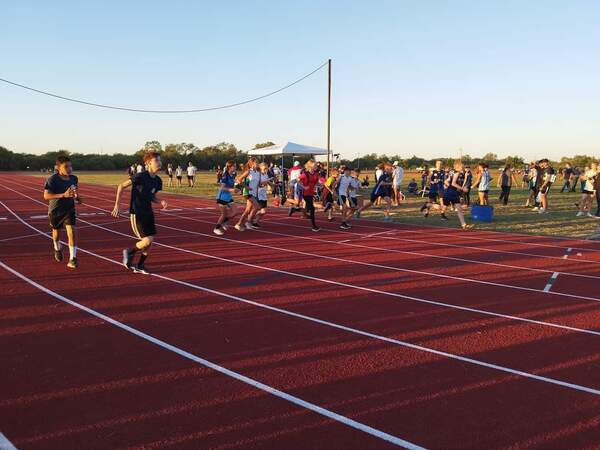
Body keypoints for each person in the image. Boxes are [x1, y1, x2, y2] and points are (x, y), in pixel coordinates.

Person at [112, 152, 167, 275]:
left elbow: (151, 196)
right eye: (156, 161)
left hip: (148, 212)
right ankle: (129, 251)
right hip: (137, 213)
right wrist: (117, 205)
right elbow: (121, 186)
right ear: (148, 163)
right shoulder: (140, 176)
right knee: (147, 240)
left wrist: (160, 201)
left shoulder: (158, 181)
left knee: (150, 241)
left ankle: (140, 265)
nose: (159, 163)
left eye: (160, 160)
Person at [43, 155, 81, 269]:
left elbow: (75, 191)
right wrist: (63, 195)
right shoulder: (52, 179)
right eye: (66, 166)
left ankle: (72, 259)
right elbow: (46, 196)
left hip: (69, 209)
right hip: (55, 211)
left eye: (70, 166)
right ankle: (57, 247)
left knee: (72, 232)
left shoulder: (74, 178)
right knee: (56, 233)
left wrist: (77, 197)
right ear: (58, 168)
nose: (69, 169)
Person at [440, 160, 473, 230]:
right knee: (442, 207)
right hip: (450, 193)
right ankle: (429, 205)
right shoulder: (456, 173)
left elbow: (446, 181)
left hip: (452, 193)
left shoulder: (453, 172)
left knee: (459, 209)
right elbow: (453, 183)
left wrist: (453, 187)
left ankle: (464, 225)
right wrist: (462, 188)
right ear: (458, 166)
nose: (463, 166)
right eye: (462, 165)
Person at [291, 159, 321, 231]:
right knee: (312, 208)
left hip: (311, 193)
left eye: (316, 165)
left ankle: (295, 209)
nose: (316, 166)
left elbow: (316, 182)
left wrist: (320, 185)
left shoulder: (316, 174)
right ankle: (314, 226)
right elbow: (298, 180)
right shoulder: (305, 174)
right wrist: (304, 187)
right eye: (314, 165)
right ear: (310, 166)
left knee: (308, 208)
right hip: (305, 193)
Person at [234, 157, 261, 231]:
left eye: (258, 162)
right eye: (256, 162)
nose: (258, 164)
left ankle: (239, 224)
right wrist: (246, 187)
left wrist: (261, 185)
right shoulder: (249, 171)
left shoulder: (258, 173)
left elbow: (258, 184)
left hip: (254, 193)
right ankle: (248, 222)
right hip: (247, 192)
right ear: (252, 163)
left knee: (248, 210)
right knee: (257, 207)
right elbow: (238, 179)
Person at [213, 160, 238, 235]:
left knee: (235, 212)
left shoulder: (232, 175)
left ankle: (223, 222)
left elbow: (231, 186)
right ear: (230, 167)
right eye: (234, 166)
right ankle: (216, 228)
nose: (235, 167)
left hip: (228, 197)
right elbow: (222, 188)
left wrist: (236, 189)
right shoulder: (225, 175)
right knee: (223, 214)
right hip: (222, 197)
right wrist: (232, 190)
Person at [254, 162, 272, 227]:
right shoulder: (258, 175)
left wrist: (274, 185)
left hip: (264, 194)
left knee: (263, 211)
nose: (266, 170)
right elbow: (258, 183)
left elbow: (267, 182)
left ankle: (255, 221)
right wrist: (266, 182)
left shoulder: (266, 175)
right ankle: (251, 217)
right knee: (262, 210)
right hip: (258, 194)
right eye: (264, 169)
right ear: (260, 168)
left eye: (266, 169)